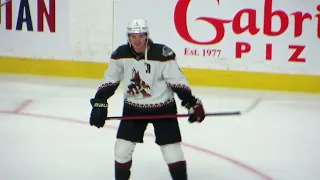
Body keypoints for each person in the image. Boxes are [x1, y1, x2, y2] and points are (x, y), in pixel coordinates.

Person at [89, 18, 206, 180]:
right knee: (121, 150)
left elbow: (176, 81)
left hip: (163, 107)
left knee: (172, 152)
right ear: (128, 37)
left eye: (141, 36)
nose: (137, 41)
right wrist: (100, 102)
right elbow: (110, 79)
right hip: (133, 107)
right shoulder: (120, 54)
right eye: (133, 36)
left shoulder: (163, 54)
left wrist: (191, 103)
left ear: (146, 36)